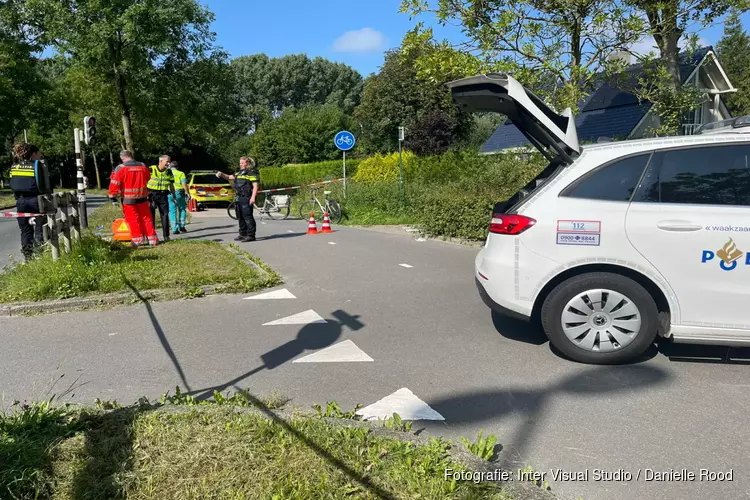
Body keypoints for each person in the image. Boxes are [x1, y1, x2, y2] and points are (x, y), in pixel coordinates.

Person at [109, 150, 159, 247]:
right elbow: (148, 178)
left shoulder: (120, 168)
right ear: (131, 156)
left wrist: (113, 197)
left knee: (133, 219)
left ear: (122, 158)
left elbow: (114, 183)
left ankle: (137, 239)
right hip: (143, 196)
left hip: (128, 199)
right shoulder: (143, 166)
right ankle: (152, 239)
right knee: (147, 218)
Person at [9, 142, 45, 261]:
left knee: (25, 230)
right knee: (40, 228)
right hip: (36, 200)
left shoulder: (14, 167)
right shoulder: (36, 165)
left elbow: (12, 184)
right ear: (33, 154)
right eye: (38, 153)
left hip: (21, 201)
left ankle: (28, 257)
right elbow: (43, 184)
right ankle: (40, 254)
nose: (40, 155)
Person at [216, 156, 259, 242]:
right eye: (240, 163)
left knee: (247, 216)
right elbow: (228, 177)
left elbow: (255, 186)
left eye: (243, 163)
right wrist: (221, 174)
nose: (241, 165)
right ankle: (242, 234)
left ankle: (251, 235)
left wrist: (253, 197)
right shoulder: (239, 173)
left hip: (247, 197)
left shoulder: (252, 173)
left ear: (248, 163)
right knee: (240, 216)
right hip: (239, 197)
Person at [147, 155, 175, 242]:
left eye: (169, 162)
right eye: (167, 161)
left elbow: (171, 185)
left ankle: (166, 236)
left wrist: (174, 196)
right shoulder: (151, 169)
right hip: (151, 195)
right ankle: (151, 236)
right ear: (160, 161)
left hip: (163, 195)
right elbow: (143, 181)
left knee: (165, 215)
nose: (168, 163)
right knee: (151, 217)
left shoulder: (169, 172)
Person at [168, 160, 189, 234]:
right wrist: (187, 192)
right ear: (177, 167)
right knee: (182, 209)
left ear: (170, 166)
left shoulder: (167, 173)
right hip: (178, 193)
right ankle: (182, 226)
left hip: (169, 193)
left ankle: (174, 228)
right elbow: (184, 184)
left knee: (172, 211)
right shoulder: (181, 173)